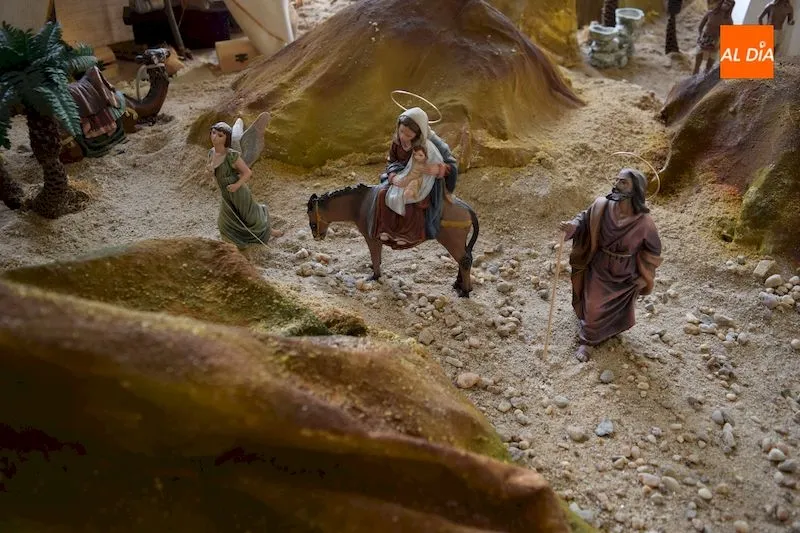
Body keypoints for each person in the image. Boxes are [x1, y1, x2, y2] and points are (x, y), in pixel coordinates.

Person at [559, 169, 663, 362]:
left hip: (625, 274)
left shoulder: (645, 223)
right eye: (617, 180)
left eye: (623, 182)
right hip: (599, 267)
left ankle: (607, 328)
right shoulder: (601, 206)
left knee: (615, 309)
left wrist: (645, 275)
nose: (616, 185)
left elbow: (653, 252)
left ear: (636, 189)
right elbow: (583, 219)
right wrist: (573, 227)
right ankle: (587, 340)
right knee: (594, 306)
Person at [372, 107, 458, 247]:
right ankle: (387, 230)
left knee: (413, 200)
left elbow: (451, 165)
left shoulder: (433, 143)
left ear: (418, 135)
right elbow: (392, 161)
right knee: (382, 194)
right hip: (400, 177)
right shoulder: (397, 142)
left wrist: (438, 169)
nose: (403, 137)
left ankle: (409, 234)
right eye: (401, 132)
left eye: (408, 135)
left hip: (425, 181)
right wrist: (394, 176)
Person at [208, 122, 279, 248]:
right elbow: (214, 172)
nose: (215, 137)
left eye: (220, 135)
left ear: (226, 139)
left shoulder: (231, 156)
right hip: (226, 193)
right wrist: (210, 173)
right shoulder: (211, 153)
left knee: (251, 218)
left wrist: (236, 185)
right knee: (224, 222)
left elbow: (247, 173)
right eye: (213, 133)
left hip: (238, 191)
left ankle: (268, 231)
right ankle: (233, 243)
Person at [694, 0, 735, 75]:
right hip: (704, 40)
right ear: (721, 2)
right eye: (725, 2)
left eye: (729, 5)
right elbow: (700, 27)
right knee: (697, 64)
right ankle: (692, 81)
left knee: (708, 68)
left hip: (716, 42)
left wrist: (719, 45)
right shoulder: (710, 13)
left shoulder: (729, 21)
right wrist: (700, 36)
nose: (726, 5)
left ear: (731, 8)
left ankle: (703, 81)